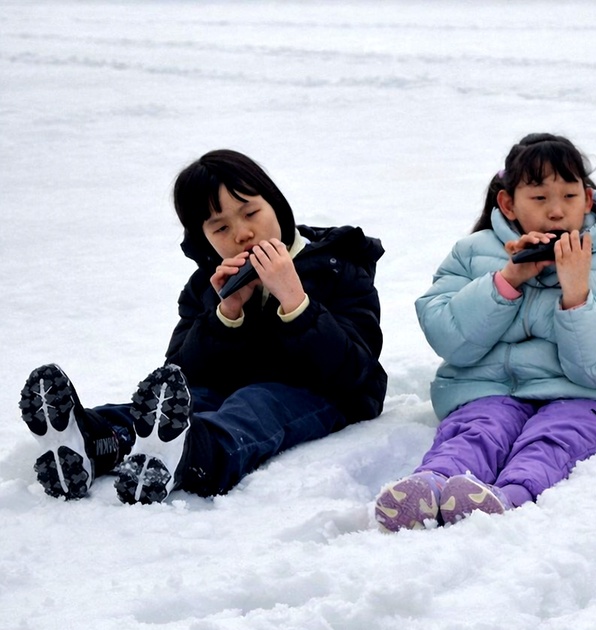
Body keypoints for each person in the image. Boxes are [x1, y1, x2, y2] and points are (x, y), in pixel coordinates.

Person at [19, 149, 387, 503]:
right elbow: (181, 374)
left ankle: (192, 454)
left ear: (276, 204)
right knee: (179, 405)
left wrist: (295, 301)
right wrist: (226, 314)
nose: (242, 233)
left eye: (251, 213)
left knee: (256, 404)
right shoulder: (206, 286)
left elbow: (356, 369)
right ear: (204, 238)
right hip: (228, 389)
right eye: (221, 227)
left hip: (323, 395)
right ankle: (95, 440)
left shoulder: (336, 268)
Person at [374, 133, 596, 532]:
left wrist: (577, 294)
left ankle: (509, 497)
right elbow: (451, 340)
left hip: (582, 396)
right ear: (508, 203)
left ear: (588, 200)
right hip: (488, 389)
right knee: (477, 431)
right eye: (539, 198)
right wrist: (507, 280)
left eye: (569, 196)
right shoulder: (471, 254)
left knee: (554, 439)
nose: (556, 211)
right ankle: (432, 484)